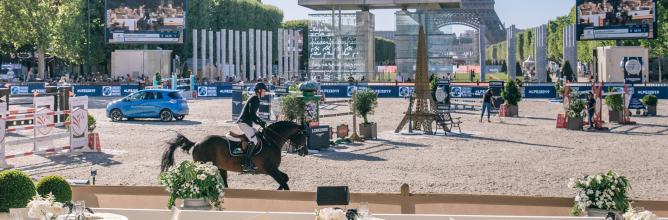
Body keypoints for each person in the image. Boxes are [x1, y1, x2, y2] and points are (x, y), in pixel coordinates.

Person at [235, 83, 269, 172]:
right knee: (254, 140)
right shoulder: (255, 99)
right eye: (264, 91)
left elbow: (252, 115)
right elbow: (252, 114)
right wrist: (260, 122)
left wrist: (259, 121)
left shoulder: (255, 97)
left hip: (246, 122)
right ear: (259, 90)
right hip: (244, 122)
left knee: (256, 135)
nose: (265, 93)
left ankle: (251, 160)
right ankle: (246, 164)